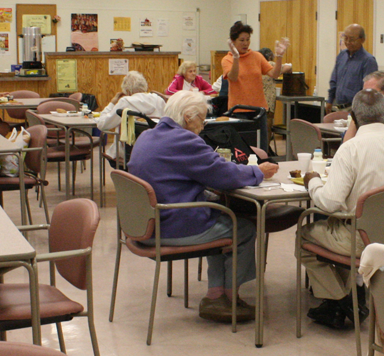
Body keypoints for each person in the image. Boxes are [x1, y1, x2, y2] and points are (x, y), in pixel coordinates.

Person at [128, 90, 279, 322]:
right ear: (188, 117)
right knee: (244, 229)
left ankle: (216, 293)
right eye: (201, 118)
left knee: (220, 218)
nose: (203, 124)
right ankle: (229, 297)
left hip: (143, 224)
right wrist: (257, 171)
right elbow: (223, 175)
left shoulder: (148, 135)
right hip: (171, 226)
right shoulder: (185, 140)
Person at [301, 89, 384, 330]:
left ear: (353, 116)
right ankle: (342, 303)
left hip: (363, 240)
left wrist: (313, 181)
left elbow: (330, 203)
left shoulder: (350, 149)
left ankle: (342, 300)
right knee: (336, 230)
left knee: (306, 234)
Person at [221, 21, 289, 151]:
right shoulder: (227, 59)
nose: (245, 43)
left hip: (259, 110)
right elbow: (233, 77)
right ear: (233, 42)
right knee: (241, 149)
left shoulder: (256, 56)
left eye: (248, 39)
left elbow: (274, 74)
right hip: (238, 111)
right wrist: (236, 58)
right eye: (242, 40)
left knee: (261, 147)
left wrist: (279, 57)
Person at [96, 71, 166, 166]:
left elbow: (102, 125)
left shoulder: (125, 101)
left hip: (129, 154)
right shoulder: (159, 100)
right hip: (156, 151)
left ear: (127, 91)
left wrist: (112, 103)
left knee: (113, 150)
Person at [326, 24, 378, 113]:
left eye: (352, 39)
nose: (348, 42)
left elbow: (368, 90)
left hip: (355, 109)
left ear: (362, 40)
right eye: (345, 38)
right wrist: (330, 100)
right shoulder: (341, 56)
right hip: (337, 107)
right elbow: (334, 80)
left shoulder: (368, 61)